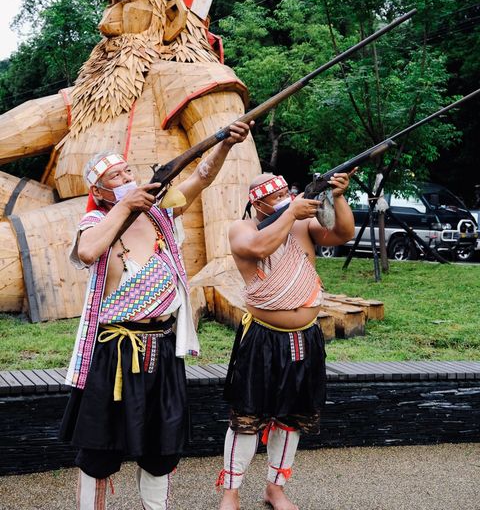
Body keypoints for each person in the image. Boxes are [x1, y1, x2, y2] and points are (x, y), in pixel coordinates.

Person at [59, 121, 251, 510]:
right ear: (98, 191)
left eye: (128, 170)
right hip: (115, 353)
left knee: (161, 450)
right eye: (116, 176)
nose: (127, 177)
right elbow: (87, 253)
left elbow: (201, 176)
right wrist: (126, 206)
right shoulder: (96, 222)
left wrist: (224, 144)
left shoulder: (163, 214)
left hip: (162, 349)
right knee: (99, 453)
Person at [217, 172, 355, 510]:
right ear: (258, 203)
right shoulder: (243, 228)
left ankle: (275, 488)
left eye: (285, 192)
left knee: (291, 418)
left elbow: (343, 233)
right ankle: (230, 493)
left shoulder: (302, 225)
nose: (284, 198)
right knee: (247, 418)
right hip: (263, 337)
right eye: (275, 195)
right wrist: (291, 212)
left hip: (304, 338)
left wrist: (337, 196)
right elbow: (260, 247)